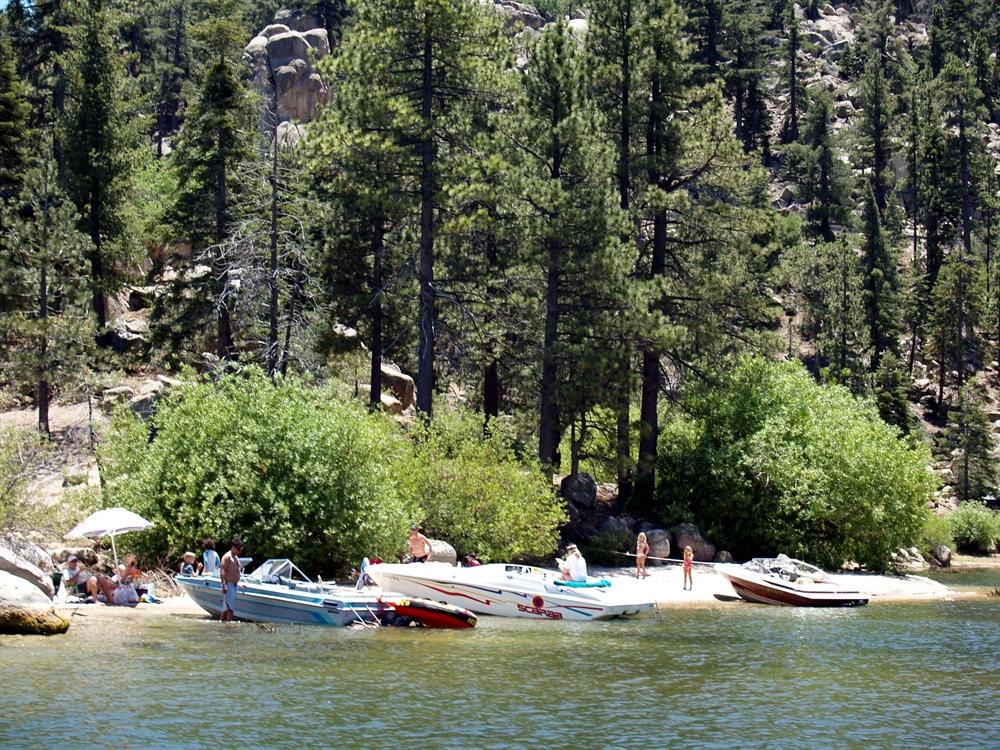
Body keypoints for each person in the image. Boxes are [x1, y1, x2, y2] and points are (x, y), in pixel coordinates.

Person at [219, 538, 243, 622]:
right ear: (233, 547)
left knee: (226, 606)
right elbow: (222, 570)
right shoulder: (227, 557)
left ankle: (222, 622)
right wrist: (224, 585)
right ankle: (228, 624)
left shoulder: (235, 557)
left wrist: (238, 582)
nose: (239, 551)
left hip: (234, 584)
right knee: (230, 607)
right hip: (228, 584)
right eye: (238, 549)